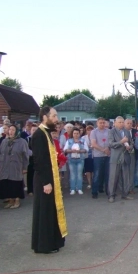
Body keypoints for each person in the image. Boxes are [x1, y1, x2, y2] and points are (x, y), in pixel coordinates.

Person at [31, 106, 67, 254]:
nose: (56, 119)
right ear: (45, 117)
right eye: (54, 116)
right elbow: (39, 161)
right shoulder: (39, 135)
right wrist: (46, 182)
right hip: (43, 180)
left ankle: (52, 242)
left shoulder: (46, 133)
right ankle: (44, 245)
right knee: (44, 212)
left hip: (49, 177)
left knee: (50, 211)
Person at [0, 124, 29, 209]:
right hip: (5, 166)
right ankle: (10, 200)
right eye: (9, 130)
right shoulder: (4, 141)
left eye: (13, 130)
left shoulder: (22, 142)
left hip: (16, 166)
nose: (11, 132)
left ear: (16, 131)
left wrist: (24, 167)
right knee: (7, 183)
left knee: (15, 183)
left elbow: (25, 156)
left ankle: (17, 200)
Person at [107, 116, 134, 203]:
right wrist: (121, 142)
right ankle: (111, 195)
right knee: (113, 177)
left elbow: (131, 142)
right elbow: (111, 144)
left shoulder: (127, 131)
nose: (122, 124)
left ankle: (125, 194)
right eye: (120, 122)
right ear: (115, 123)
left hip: (125, 157)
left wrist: (130, 147)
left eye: (122, 122)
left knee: (125, 177)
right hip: (116, 158)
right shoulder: (111, 131)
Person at [64, 127, 88, 195]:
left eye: (77, 133)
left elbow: (86, 149)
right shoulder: (69, 141)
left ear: (79, 134)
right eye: (74, 133)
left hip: (80, 160)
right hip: (71, 160)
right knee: (72, 174)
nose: (76, 135)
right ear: (72, 134)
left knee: (79, 174)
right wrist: (71, 151)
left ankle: (79, 188)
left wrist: (80, 151)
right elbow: (65, 149)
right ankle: (72, 188)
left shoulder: (83, 141)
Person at [90, 118, 110, 199]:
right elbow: (93, 144)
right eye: (100, 123)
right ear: (97, 123)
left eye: (103, 123)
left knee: (107, 174)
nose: (102, 124)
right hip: (98, 156)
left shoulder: (108, 131)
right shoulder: (93, 132)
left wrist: (108, 149)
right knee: (97, 174)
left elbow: (111, 141)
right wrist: (103, 150)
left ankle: (108, 191)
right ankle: (94, 192)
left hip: (107, 156)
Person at [124, 118, 137, 194]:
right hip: (124, 153)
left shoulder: (136, 132)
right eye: (128, 123)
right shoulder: (122, 132)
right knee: (125, 172)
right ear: (124, 124)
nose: (129, 125)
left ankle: (131, 188)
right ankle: (124, 188)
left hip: (133, 153)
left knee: (132, 171)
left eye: (131, 123)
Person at [26, 123, 38, 196]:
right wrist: (33, 153)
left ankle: (36, 189)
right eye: (33, 130)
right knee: (30, 174)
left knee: (37, 174)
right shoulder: (27, 139)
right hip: (30, 159)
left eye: (36, 130)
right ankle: (30, 190)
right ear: (30, 131)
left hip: (38, 159)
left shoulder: (40, 139)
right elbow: (26, 149)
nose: (34, 131)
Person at [82, 125, 94, 189]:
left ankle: (94, 183)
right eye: (88, 130)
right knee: (88, 171)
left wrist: (92, 145)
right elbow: (82, 145)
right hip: (86, 156)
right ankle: (89, 183)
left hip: (94, 155)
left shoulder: (95, 137)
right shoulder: (83, 138)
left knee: (94, 170)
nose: (89, 131)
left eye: (91, 130)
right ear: (86, 131)